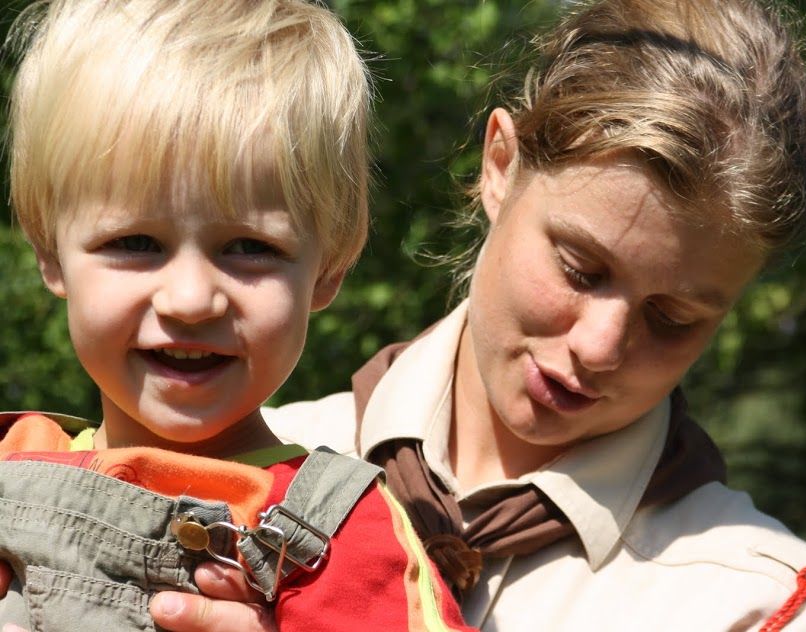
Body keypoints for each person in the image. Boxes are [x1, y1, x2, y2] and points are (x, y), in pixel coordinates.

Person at [0, 1, 472, 630]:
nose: (192, 299)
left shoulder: (346, 538)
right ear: (49, 253)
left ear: (329, 267)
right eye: (135, 243)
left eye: (251, 247)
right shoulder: (17, 459)